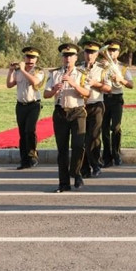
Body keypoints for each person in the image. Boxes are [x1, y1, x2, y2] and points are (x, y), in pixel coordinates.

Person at [44, 43, 90, 192]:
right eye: (65, 56)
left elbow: (87, 93)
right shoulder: (54, 73)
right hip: (60, 112)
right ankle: (63, 183)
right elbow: (46, 94)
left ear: (76, 57)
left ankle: (76, 173)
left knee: (78, 145)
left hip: (77, 111)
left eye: (70, 56)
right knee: (62, 149)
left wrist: (74, 84)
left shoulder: (82, 74)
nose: (67, 58)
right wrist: (54, 90)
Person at [6, 46, 45, 170]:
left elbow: (35, 82)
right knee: (22, 133)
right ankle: (24, 160)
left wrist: (23, 70)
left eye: (33, 57)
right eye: (28, 57)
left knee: (30, 130)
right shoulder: (18, 71)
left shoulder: (38, 71)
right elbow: (9, 84)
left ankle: (32, 154)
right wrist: (11, 71)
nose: (30, 60)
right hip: (20, 105)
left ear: (36, 59)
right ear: (24, 58)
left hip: (34, 104)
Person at [79, 41, 111, 179]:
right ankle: (84, 167)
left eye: (92, 53)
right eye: (87, 52)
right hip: (80, 106)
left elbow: (109, 88)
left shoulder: (102, 69)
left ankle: (96, 164)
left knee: (93, 136)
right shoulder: (78, 68)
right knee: (81, 137)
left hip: (96, 104)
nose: (89, 55)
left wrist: (95, 84)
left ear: (97, 54)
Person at [101, 39, 134, 167]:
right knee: (103, 129)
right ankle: (106, 157)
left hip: (116, 98)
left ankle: (116, 153)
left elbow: (131, 85)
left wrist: (121, 80)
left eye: (114, 50)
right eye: (109, 50)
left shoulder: (123, 68)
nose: (111, 53)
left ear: (118, 52)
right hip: (103, 98)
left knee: (116, 127)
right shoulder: (102, 65)